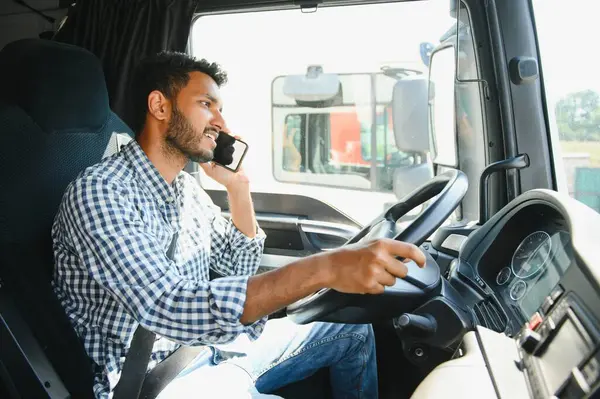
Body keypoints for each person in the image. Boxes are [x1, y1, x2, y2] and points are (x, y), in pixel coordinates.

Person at [51, 51, 426, 399]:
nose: (220, 122)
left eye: (220, 109)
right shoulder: (99, 193)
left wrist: (238, 187)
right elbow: (170, 306)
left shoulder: (185, 190)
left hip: (210, 346)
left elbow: (238, 268)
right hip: (155, 380)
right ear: (159, 106)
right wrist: (326, 267)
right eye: (205, 105)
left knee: (350, 329)